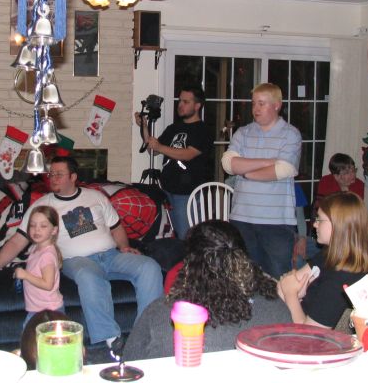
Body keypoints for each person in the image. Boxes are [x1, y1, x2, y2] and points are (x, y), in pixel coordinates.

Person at [0, 156, 163, 349]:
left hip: (111, 256)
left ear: (73, 177)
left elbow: (116, 227)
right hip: (77, 260)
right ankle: (111, 338)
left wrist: (124, 246)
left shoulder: (96, 197)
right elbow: (17, 241)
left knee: (149, 267)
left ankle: (147, 332)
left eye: (59, 174)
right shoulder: (43, 206)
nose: (53, 178)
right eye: (51, 174)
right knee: (88, 276)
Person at [122, 220, 291, 361]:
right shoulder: (276, 307)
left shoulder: (161, 313)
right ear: (245, 257)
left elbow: (130, 365)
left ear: (189, 263)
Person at [221, 82, 302, 278]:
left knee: (277, 279)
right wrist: (267, 162)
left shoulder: (291, 134)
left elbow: (283, 169)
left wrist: (246, 172)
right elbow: (228, 164)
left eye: (261, 103)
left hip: (276, 222)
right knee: (243, 278)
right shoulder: (243, 133)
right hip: (242, 218)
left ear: (277, 105)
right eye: (253, 103)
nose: (255, 109)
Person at [278, 192, 368, 328]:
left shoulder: (344, 277)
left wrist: (291, 294)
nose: (315, 224)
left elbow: (310, 334)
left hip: (311, 337)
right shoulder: (329, 255)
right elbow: (283, 286)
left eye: (320, 219)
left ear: (339, 225)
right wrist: (292, 292)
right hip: (297, 319)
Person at [134, 86, 213, 240]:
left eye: (186, 102)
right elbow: (153, 150)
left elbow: (188, 154)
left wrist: (159, 147)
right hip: (166, 190)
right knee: (169, 235)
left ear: (197, 105)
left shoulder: (203, 130)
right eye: (180, 101)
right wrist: (144, 126)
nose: (180, 105)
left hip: (187, 193)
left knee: (186, 236)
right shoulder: (173, 128)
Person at [14, 205, 64, 326]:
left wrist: (25, 275)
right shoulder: (36, 248)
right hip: (38, 309)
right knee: (30, 336)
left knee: (30, 336)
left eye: (43, 226)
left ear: (54, 230)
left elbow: (48, 284)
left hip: (48, 311)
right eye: (32, 225)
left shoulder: (47, 255)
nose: (36, 230)